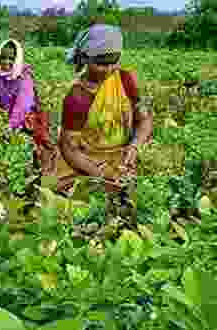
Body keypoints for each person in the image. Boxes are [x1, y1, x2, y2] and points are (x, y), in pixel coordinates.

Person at [49, 24, 153, 199]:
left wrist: (135, 147)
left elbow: (145, 120)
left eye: (114, 61)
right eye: (101, 64)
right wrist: (101, 175)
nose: (109, 69)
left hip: (123, 156)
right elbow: (69, 149)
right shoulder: (77, 97)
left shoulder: (125, 79)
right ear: (85, 59)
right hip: (85, 161)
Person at [0, 39, 52, 169]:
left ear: (17, 59)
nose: (6, 62)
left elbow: (22, 107)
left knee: (21, 161)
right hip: (2, 124)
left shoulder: (24, 78)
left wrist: (9, 127)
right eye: (3, 58)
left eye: (11, 58)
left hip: (22, 126)